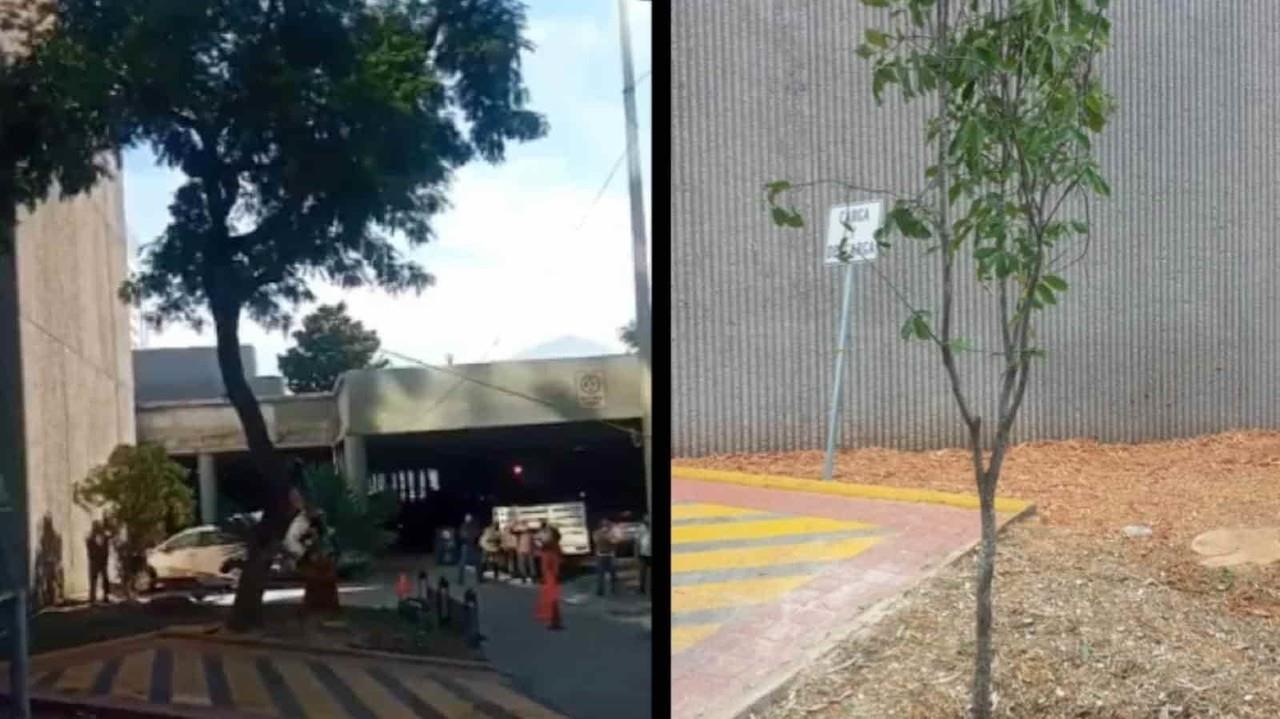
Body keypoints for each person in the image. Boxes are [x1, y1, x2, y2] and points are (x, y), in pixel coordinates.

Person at [534, 525, 564, 630]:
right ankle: (553, 620)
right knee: (551, 599)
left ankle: (553, 621)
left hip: (550, 575)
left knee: (550, 599)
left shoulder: (549, 547)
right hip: (550, 574)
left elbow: (550, 563)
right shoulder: (554, 546)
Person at [86, 520, 111, 604]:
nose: (97, 528)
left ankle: (106, 596)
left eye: (98, 526)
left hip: (102, 561)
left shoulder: (105, 537)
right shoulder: (90, 538)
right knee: (93, 580)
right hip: (94, 561)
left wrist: (105, 559)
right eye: (96, 527)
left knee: (105, 579)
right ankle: (92, 598)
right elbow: (89, 550)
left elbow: (107, 549)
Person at [593, 518, 618, 596]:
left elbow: (615, 541)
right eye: (603, 525)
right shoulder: (597, 533)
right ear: (600, 526)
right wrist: (607, 537)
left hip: (610, 555)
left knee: (612, 574)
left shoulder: (611, 533)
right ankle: (600, 590)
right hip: (601, 555)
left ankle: (613, 589)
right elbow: (596, 540)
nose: (605, 527)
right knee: (601, 574)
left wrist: (609, 536)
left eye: (606, 525)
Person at [458, 513, 480, 584]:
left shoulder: (474, 526)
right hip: (466, 545)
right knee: (462, 563)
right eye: (467, 517)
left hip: (472, 546)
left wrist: (473, 538)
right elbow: (462, 535)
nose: (468, 519)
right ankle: (461, 580)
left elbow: (477, 533)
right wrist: (470, 538)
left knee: (477, 562)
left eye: (469, 517)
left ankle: (479, 578)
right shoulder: (463, 526)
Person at [637, 515, 651, 596]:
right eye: (646, 518)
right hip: (644, 553)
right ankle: (642, 588)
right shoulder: (641, 528)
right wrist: (637, 553)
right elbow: (637, 541)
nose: (647, 520)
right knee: (643, 572)